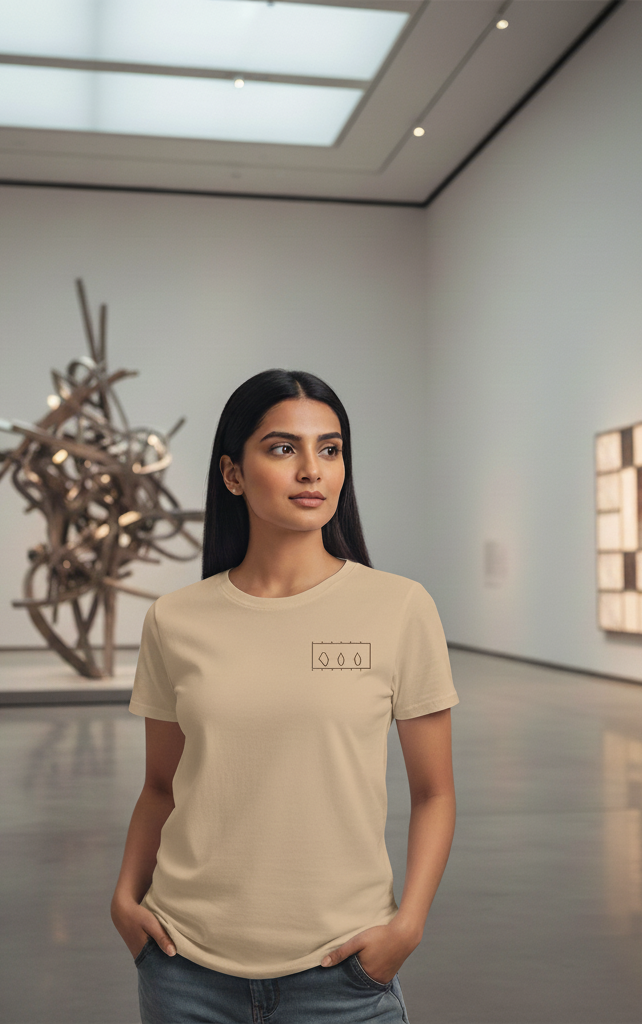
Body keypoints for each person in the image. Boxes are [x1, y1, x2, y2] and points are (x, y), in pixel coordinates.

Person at [111, 369, 458, 1023]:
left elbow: (435, 791)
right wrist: (125, 902)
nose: (312, 470)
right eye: (281, 448)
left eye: (329, 449)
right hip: (185, 972)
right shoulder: (174, 620)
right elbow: (161, 785)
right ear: (232, 474)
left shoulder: (399, 608)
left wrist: (406, 928)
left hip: (343, 976)